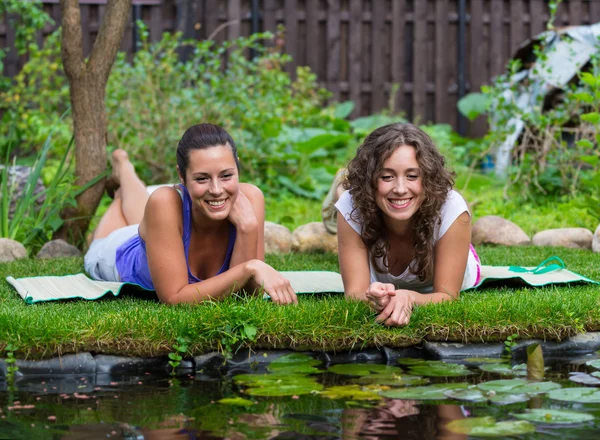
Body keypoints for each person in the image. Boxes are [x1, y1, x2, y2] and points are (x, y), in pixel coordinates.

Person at [84, 123, 297, 305]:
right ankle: (122, 166)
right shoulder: (164, 202)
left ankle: (123, 173)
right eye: (202, 178)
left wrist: (248, 227)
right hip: (115, 252)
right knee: (120, 212)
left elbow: (246, 297)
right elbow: (174, 298)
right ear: (181, 176)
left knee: (143, 214)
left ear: (237, 166)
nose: (216, 189)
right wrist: (250, 267)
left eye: (226, 175)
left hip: (160, 233)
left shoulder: (251, 198)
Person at [335, 122, 481, 326]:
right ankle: (339, 185)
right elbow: (354, 295)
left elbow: (448, 297)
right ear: (370, 180)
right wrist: (375, 300)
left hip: (456, 257)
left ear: (428, 177)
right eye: (387, 177)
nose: (400, 189)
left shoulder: (452, 208)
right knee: (345, 199)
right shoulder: (351, 206)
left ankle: (459, 246)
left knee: (451, 236)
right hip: (365, 205)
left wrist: (410, 298)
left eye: (412, 176)